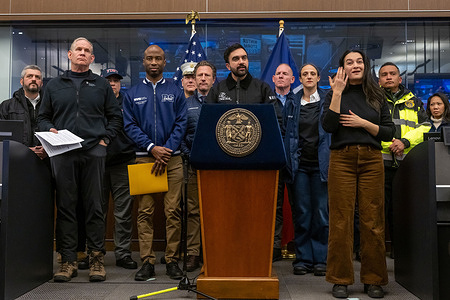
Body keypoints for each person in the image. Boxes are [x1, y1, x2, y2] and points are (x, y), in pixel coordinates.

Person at [38, 37, 123, 282]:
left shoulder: (101, 85)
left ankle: (97, 260)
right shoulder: (54, 85)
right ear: (69, 54)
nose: (83, 53)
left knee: (95, 206)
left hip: (94, 152)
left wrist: (105, 140)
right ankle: (68, 261)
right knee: (65, 207)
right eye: (79, 50)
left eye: (87, 51)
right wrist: (50, 129)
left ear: (92, 58)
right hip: (63, 151)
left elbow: (115, 117)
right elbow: (43, 117)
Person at [322, 50, 395, 299]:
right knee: (340, 220)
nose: (355, 65)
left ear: (366, 66)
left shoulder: (376, 94)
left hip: (371, 160)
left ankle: (374, 279)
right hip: (342, 159)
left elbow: (388, 132)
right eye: (349, 62)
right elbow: (328, 125)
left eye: (359, 61)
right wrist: (338, 93)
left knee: (373, 221)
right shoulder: (334, 93)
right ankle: (340, 279)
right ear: (343, 67)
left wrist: (363, 123)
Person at [123, 44, 187, 281]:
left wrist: (166, 149)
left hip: (173, 159)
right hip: (144, 159)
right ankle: (147, 262)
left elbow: (182, 122)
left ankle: (171, 261)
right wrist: (152, 148)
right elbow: (129, 125)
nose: (153, 62)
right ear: (143, 62)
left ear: (164, 62)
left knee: (173, 212)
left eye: (158, 58)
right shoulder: (132, 93)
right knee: (145, 212)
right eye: (149, 58)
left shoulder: (176, 90)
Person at [378, 62, 430, 259]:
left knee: (403, 212)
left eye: (392, 74)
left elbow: (426, 127)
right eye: (384, 74)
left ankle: (403, 254)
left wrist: (405, 142)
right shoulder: (373, 100)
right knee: (377, 212)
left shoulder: (414, 101)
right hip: (380, 164)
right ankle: (375, 252)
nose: (388, 77)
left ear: (400, 78)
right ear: (379, 80)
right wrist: (390, 141)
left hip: (407, 164)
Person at [287, 63, 330, 277]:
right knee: (302, 214)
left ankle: (321, 259)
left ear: (318, 77)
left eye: (313, 73)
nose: (309, 77)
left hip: (322, 166)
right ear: (300, 79)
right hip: (300, 166)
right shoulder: (292, 102)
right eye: (305, 74)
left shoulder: (327, 101)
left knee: (321, 214)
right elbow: (287, 134)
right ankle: (303, 259)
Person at [180, 60, 216, 272]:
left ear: (213, 79)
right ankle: (193, 253)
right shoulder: (185, 104)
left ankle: (214, 250)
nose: (202, 78)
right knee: (193, 211)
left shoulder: (221, 103)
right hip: (193, 165)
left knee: (216, 210)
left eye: (206, 75)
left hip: (219, 168)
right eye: (199, 75)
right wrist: (189, 154)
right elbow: (180, 134)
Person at [101, 68, 138, 269]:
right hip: (98, 164)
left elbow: (136, 128)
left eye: (116, 80)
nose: (112, 83)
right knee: (98, 211)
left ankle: (123, 253)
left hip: (123, 163)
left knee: (123, 213)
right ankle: (95, 254)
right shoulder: (95, 102)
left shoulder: (129, 103)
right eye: (108, 80)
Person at [206, 43, 279, 110]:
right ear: (228, 66)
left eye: (244, 58)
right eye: (236, 59)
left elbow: (276, 120)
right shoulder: (216, 91)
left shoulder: (263, 89)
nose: (241, 62)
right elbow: (206, 121)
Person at [271, 63, 296, 262]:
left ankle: (299, 246)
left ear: (292, 79)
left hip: (297, 159)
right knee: (276, 206)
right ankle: (275, 246)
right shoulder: (267, 101)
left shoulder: (299, 101)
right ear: (273, 79)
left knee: (300, 205)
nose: (281, 76)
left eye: (285, 74)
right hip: (275, 160)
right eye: (278, 73)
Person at [0, 65, 46, 159]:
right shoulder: (7, 106)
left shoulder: (50, 106)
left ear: (41, 83)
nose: (33, 79)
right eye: (29, 76)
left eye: (37, 77)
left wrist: (47, 150)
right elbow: (2, 138)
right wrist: (26, 150)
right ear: (22, 81)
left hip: (45, 162)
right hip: (16, 160)